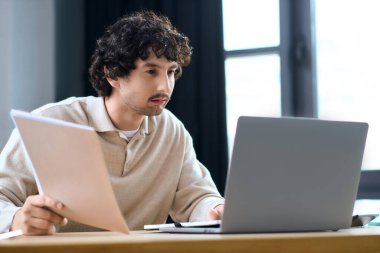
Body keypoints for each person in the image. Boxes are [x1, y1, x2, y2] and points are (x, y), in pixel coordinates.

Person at [0, 10, 224, 235]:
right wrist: (16, 219)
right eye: (151, 71)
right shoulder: (48, 122)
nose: (165, 87)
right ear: (112, 74)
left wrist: (216, 210)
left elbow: (196, 198)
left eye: (171, 72)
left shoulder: (172, 131)